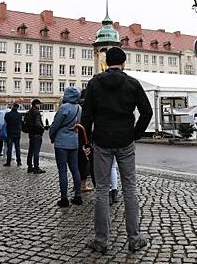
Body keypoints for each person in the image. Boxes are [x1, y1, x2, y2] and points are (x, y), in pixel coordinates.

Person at [82, 47, 153, 254]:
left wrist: (87, 141)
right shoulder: (132, 83)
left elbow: (86, 116)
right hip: (125, 141)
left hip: (102, 141)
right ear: (123, 63)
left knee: (102, 190)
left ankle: (101, 240)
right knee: (129, 189)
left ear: (106, 63)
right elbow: (146, 112)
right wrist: (135, 134)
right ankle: (134, 238)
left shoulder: (94, 83)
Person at [49, 86, 82, 207]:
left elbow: (55, 125)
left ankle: (64, 199)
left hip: (62, 142)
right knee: (75, 169)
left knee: (62, 171)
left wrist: (52, 136)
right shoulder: (79, 108)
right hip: (74, 141)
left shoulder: (64, 107)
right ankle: (78, 196)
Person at [78, 89, 94, 192]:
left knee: (78, 161)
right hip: (86, 137)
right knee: (86, 162)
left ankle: (78, 183)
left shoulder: (77, 105)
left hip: (77, 137)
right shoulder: (88, 106)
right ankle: (83, 185)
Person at [24, 99, 46, 174]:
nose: (39, 106)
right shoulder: (36, 112)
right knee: (36, 151)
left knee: (31, 151)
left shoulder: (29, 112)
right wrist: (42, 128)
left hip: (31, 134)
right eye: (39, 104)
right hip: (37, 134)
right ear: (36, 104)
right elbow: (37, 123)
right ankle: (36, 167)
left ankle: (30, 166)